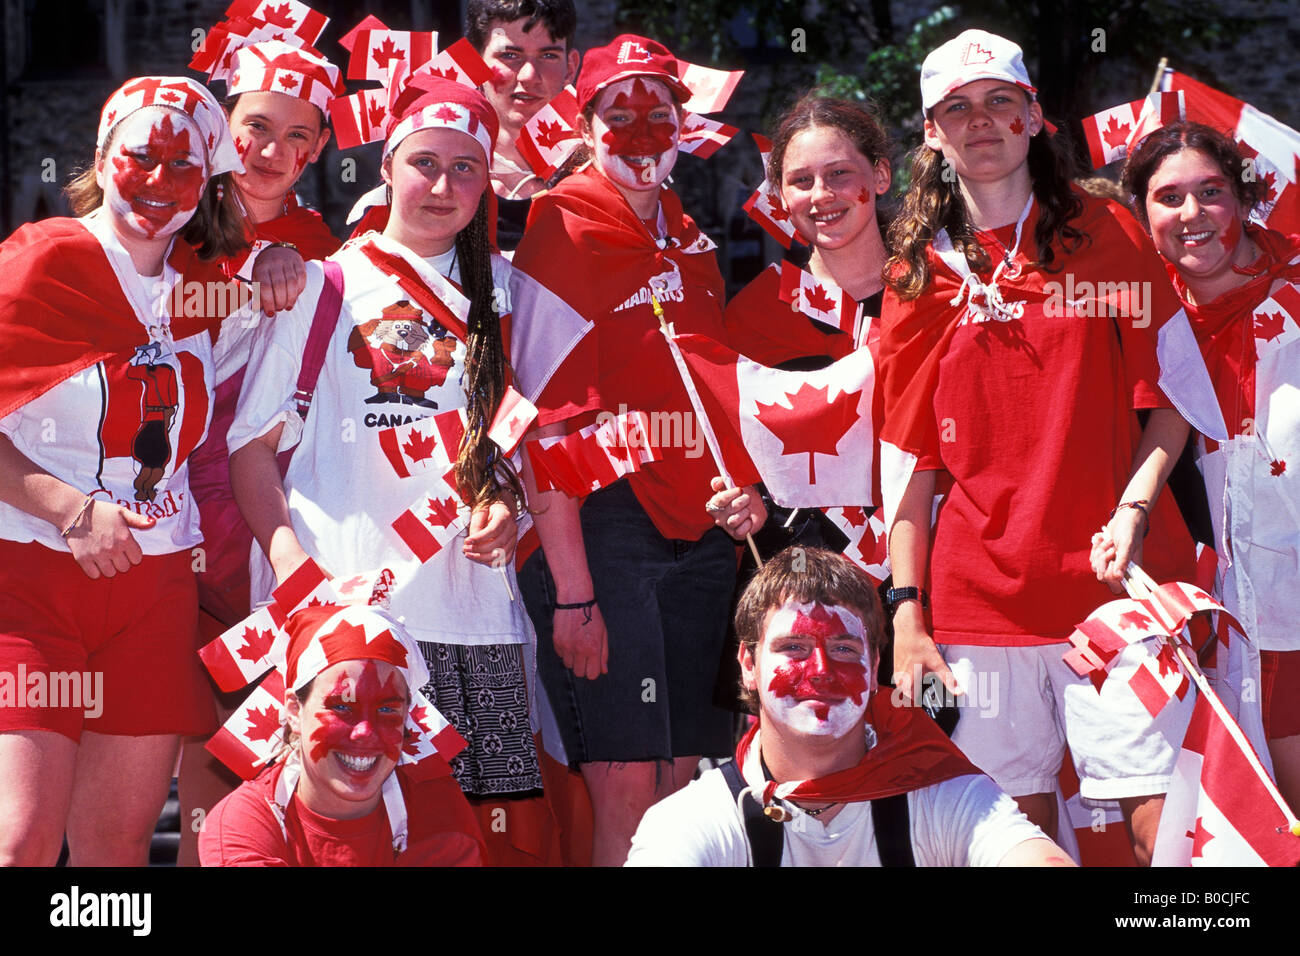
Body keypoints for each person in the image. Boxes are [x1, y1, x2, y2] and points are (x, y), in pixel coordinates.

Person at [228, 75, 588, 865]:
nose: (443, 185)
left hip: (473, 617)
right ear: (387, 168)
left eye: (467, 169)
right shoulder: (325, 286)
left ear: (487, 183)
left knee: (488, 843)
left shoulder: (514, 300)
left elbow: (520, 449)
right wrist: (292, 568)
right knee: (338, 841)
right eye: (425, 162)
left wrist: (506, 507)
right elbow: (249, 449)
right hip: (344, 619)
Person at [878, 29, 1214, 864]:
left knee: (1161, 824)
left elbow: (1175, 400)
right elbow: (907, 465)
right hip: (978, 607)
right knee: (1008, 833)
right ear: (930, 132)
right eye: (956, 108)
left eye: (1000, 101)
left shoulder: (1105, 232)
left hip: (1116, 585)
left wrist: (1136, 507)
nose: (980, 121)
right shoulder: (916, 273)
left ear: (1035, 117)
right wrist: (907, 612)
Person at [513, 34, 766, 866]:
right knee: (624, 783)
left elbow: (709, 389)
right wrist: (576, 595)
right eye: (618, 116)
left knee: (687, 780)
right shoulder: (563, 225)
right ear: (584, 127)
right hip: (605, 527)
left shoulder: (688, 236)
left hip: (700, 535)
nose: (641, 132)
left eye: (659, 113)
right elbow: (542, 425)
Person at [0, 76, 247, 865]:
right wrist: (71, 508)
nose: (157, 182)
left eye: (183, 167)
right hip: (32, 580)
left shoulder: (211, 288)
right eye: (140, 156)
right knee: (23, 842)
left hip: (156, 587)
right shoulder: (41, 258)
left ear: (206, 181)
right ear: (104, 159)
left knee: (117, 848)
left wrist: (276, 261)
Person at [626, 547, 1072, 866]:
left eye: (843, 648)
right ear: (748, 664)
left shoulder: (944, 793)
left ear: (875, 662)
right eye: (795, 646)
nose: (820, 670)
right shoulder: (694, 820)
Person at [178, 28, 345, 866]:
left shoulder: (326, 247)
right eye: (255, 126)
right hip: (162, 512)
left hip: (266, 516)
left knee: (251, 737)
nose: (271, 150)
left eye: (297, 134)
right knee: (183, 739)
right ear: (221, 122)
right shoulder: (169, 220)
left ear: (319, 148)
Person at [1121, 120, 1298, 808]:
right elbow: (1173, 409)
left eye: (1211, 192)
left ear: (1244, 200)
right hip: (1257, 612)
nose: (1191, 214)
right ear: (1144, 217)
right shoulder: (1159, 318)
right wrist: (1129, 510)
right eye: (1169, 198)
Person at [199, 602, 485, 866]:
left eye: (387, 710)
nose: (365, 732)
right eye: (341, 707)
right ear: (294, 711)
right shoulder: (246, 821)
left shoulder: (439, 813)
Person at [466, 0, 580, 253]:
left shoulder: (604, 177)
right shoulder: (433, 177)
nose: (529, 75)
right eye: (510, 55)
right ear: (473, 64)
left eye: (548, 55)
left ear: (570, 68)